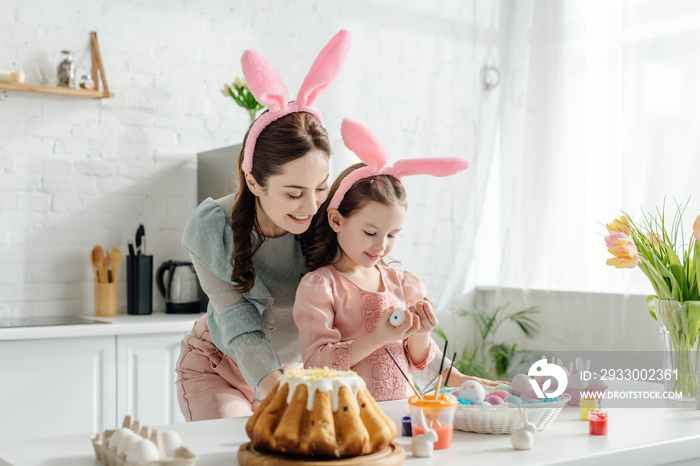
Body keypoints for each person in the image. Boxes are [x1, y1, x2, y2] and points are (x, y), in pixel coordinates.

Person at [175, 30, 351, 421]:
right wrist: (283, 395)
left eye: (320, 188)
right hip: (219, 368)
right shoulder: (212, 228)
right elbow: (240, 327)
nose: (310, 206)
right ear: (254, 182)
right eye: (293, 194)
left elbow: (368, 295)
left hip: (290, 374)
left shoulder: (326, 220)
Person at [293, 118, 471, 401]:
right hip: (346, 418)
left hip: (401, 413)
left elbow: (416, 361)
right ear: (337, 220)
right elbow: (316, 362)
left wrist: (422, 331)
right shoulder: (320, 286)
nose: (382, 245)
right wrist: (379, 337)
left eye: (392, 235)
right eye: (371, 232)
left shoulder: (404, 284)